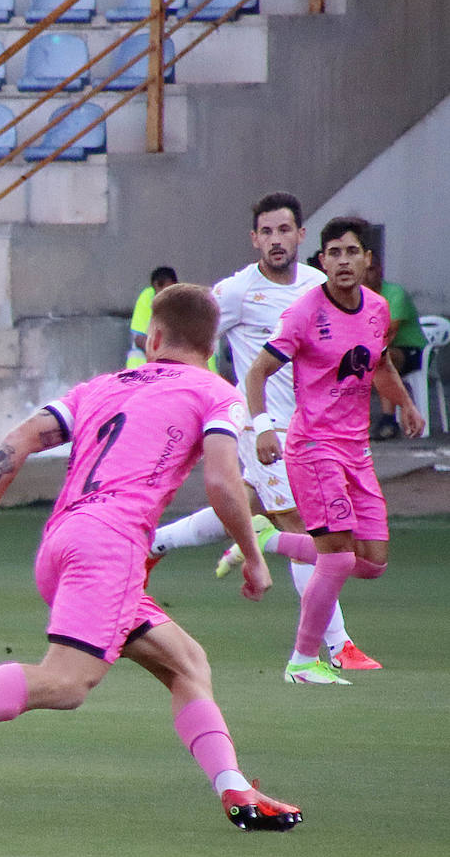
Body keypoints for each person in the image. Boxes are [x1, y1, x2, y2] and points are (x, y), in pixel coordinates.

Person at [0, 284, 302, 832]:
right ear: (211, 345)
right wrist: (253, 557)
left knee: (187, 663)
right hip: (112, 546)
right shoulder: (216, 393)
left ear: (155, 337)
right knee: (68, 683)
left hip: (62, 541)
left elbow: (19, 438)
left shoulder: (103, 385)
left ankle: (236, 790)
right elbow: (221, 479)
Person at [147, 192, 381, 671]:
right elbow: (194, 341)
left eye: (285, 230)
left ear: (300, 236)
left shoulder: (320, 285)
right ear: (255, 239)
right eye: (267, 232)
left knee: (246, 507)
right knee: (305, 527)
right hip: (265, 430)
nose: (276, 241)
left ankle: (153, 542)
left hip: (318, 431)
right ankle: (335, 647)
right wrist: (201, 399)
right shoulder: (234, 292)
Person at [245, 217, 425, 684]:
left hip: (356, 450)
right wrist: (263, 427)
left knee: (372, 563)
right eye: (334, 254)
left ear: (368, 260)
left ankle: (268, 539)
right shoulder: (305, 313)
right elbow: (257, 372)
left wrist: (404, 404)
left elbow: (379, 362)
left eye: (352, 252)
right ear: (321, 261)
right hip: (313, 446)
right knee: (340, 557)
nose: (343, 262)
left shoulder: (378, 309)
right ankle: (303, 661)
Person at [364, 250, 428, 440]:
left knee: (382, 358)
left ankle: (388, 420)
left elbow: (388, 331)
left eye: (372, 270)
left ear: (380, 271)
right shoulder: (357, 295)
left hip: (413, 351)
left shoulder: (394, 293)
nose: (367, 275)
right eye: (364, 270)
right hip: (375, 349)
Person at [125, 266, 178, 368]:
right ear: (155, 286)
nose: (167, 295)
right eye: (164, 291)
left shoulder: (179, 300)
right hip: (140, 368)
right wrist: (163, 353)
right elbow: (138, 338)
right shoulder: (147, 297)